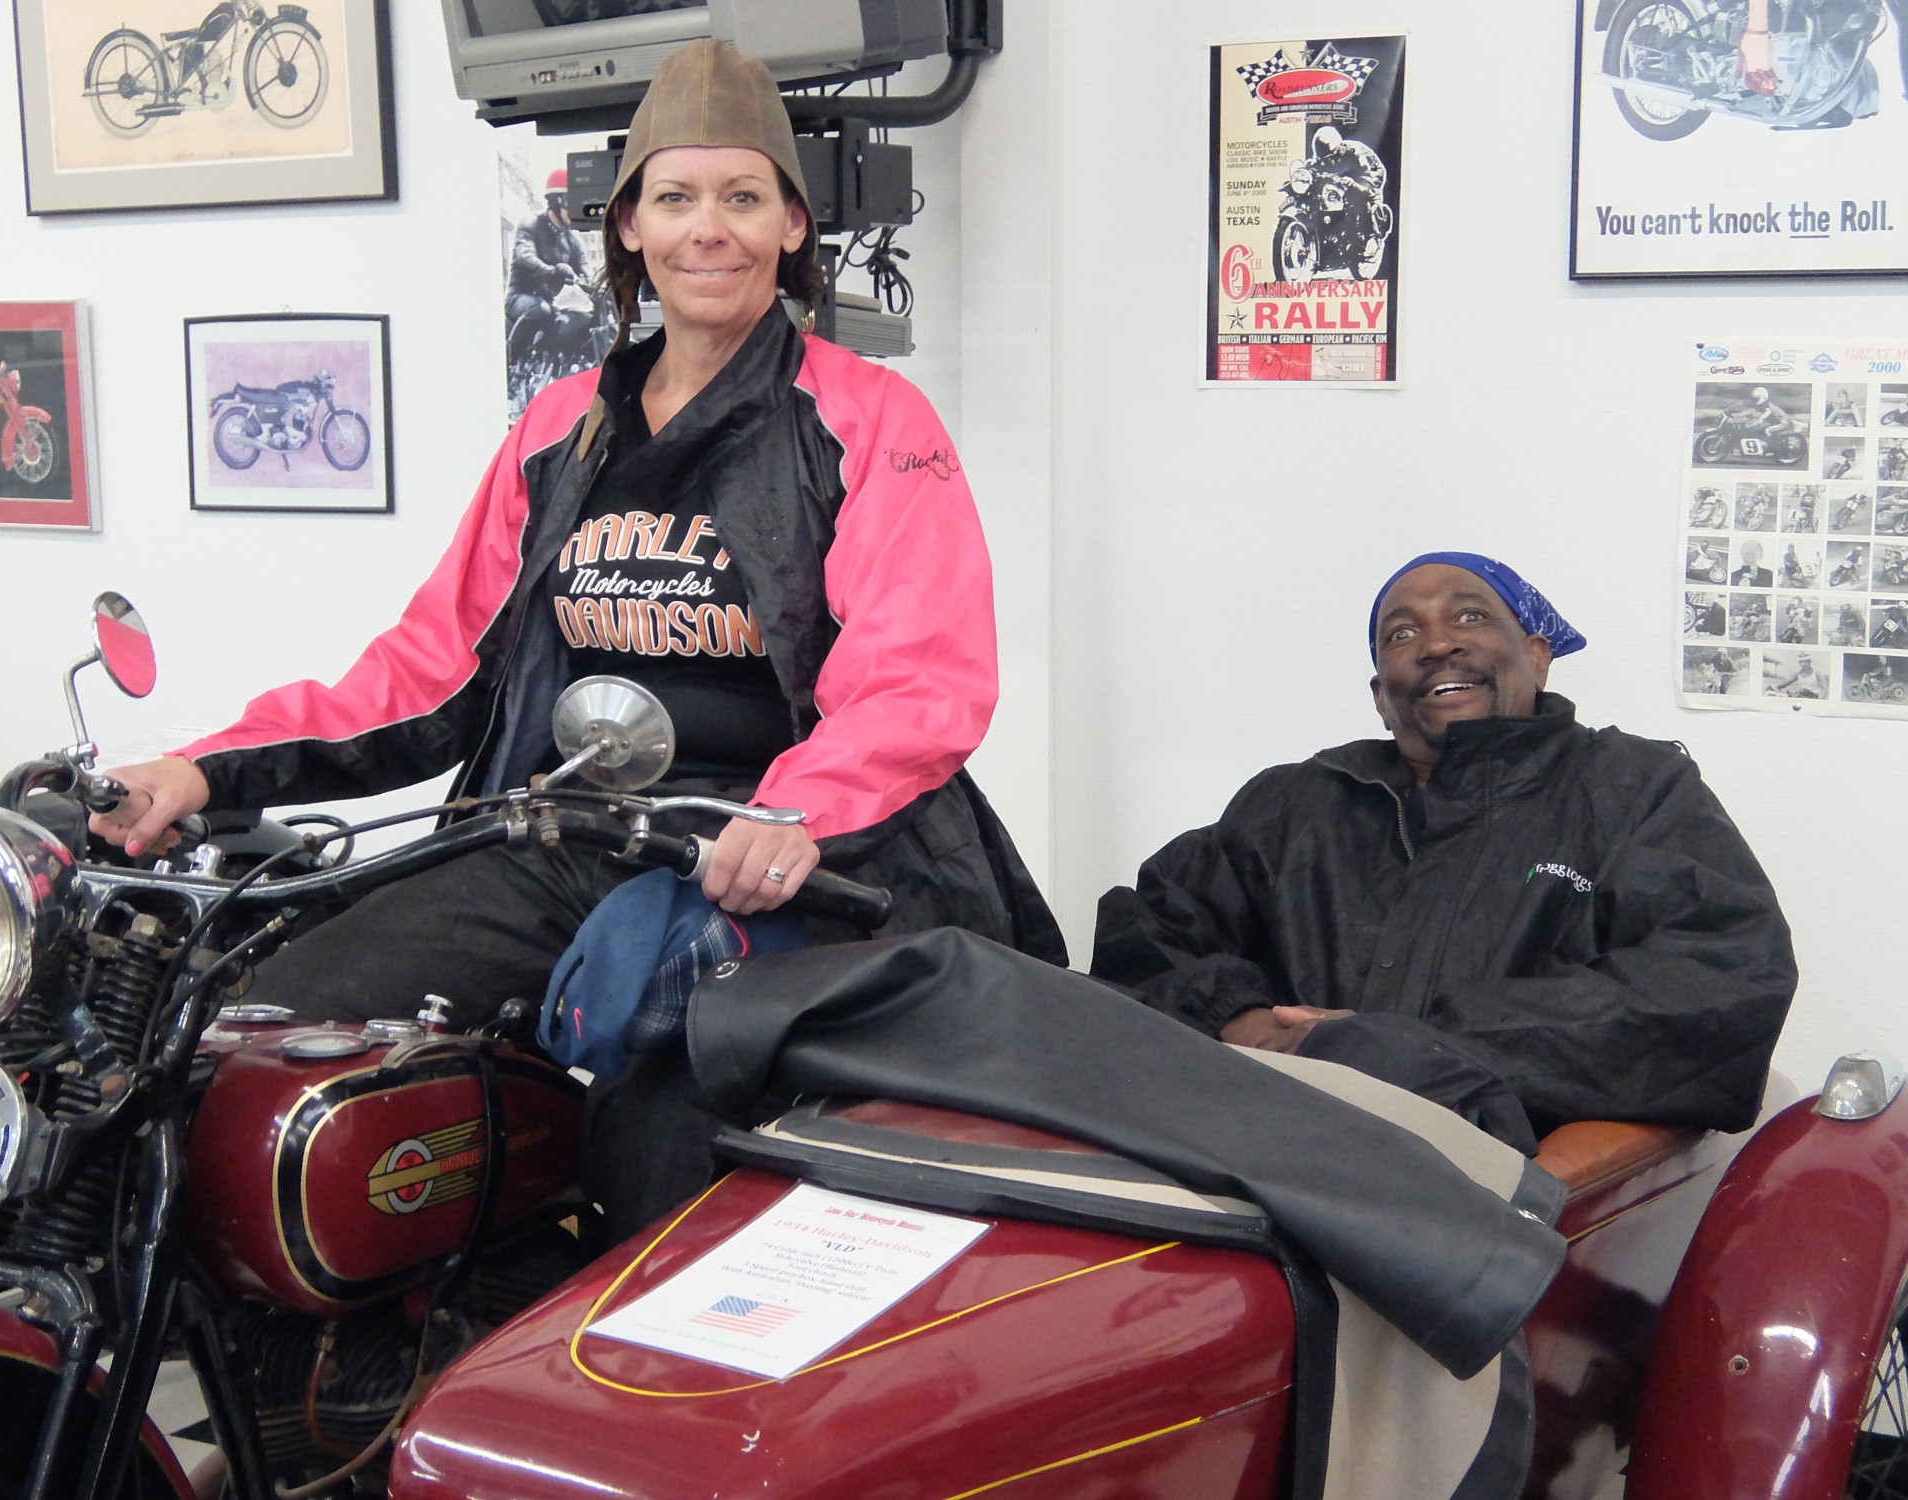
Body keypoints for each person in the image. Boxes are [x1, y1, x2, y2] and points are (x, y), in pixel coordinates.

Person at [92, 39, 1064, 1038]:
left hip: (792, 859)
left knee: (666, 1109)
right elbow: (432, 670)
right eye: (676, 199)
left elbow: (917, 678)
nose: (708, 229)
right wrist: (210, 767)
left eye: (742, 197)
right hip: (573, 836)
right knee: (266, 1023)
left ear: (791, 224)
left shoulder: (871, 417)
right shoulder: (560, 427)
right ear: (631, 224)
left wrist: (793, 814)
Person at [1091, 553, 1795, 1153]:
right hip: (1265, 1151)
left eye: (1470, 617)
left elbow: (1720, 986)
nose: (1436, 645)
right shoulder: (1296, 803)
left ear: (1538, 657)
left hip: (1502, 1188)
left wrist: (1403, 1045)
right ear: (1380, 695)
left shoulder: (1632, 790)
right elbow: (1147, 935)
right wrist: (1241, 1019)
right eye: (1402, 634)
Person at [505, 169, 589, 381]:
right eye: (570, 201)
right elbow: (526, 257)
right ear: (556, 201)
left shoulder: (572, 239)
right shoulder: (530, 225)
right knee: (540, 310)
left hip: (552, 302)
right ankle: (507, 364)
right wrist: (552, 271)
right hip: (521, 297)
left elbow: (585, 268)